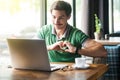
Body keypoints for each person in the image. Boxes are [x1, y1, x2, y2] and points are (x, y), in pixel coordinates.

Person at [36, 0, 107, 62]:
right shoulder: (44, 30)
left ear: (68, 17)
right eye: (54, 17)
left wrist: (76, 50)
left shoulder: (76, 34)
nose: (56, 21)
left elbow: (103, 52)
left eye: (61, 17)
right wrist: (50, 47)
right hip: (51, 72)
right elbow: (32, 48)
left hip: (71, 72)